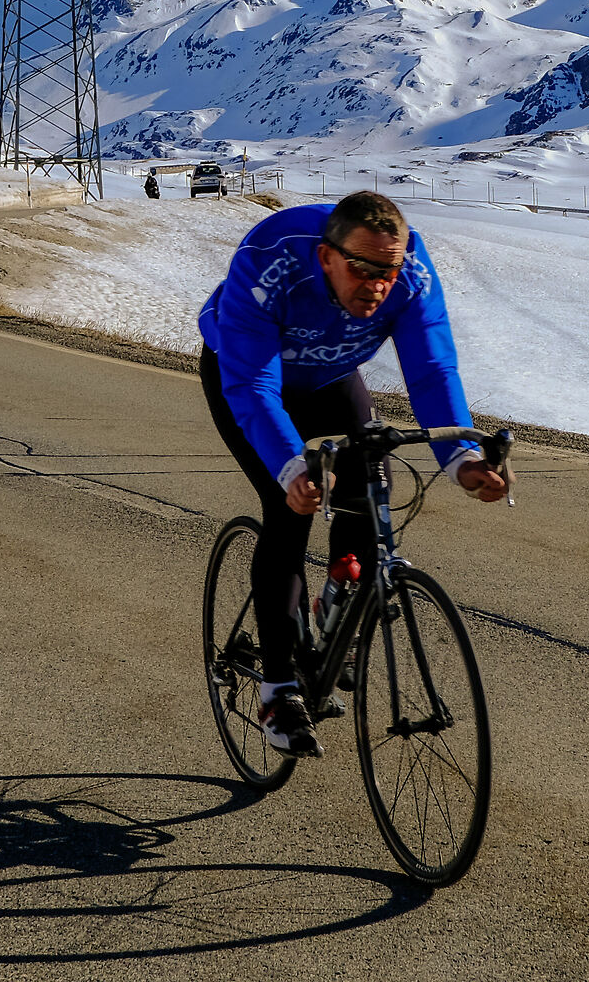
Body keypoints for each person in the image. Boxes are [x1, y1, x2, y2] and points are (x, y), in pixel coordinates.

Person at [198, 191, 508, 757]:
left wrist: (463, 460)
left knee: (374, 485)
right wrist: (292, 468)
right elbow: (255, 389)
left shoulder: (409, 271)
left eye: (385, 272)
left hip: (330, 378)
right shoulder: (272, 260)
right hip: (248, 377)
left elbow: (433, 370)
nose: (375, 285)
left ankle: (335, 618)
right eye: (360, 269)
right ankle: (278, 690)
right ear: (326, 257)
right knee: (289, 507)